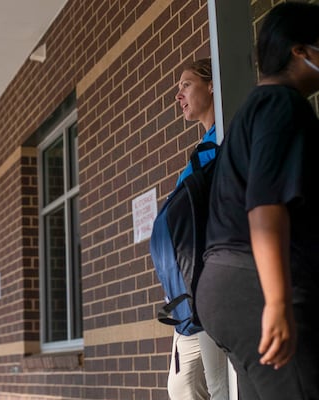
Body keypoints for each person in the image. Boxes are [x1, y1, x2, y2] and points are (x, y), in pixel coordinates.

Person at [196, 3, 319, 400]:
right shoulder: (281, 106)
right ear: (300, 51)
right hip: (254, 287)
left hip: (227, 288)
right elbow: (265, 205)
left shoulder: (252, 110)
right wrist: (277, 302)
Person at [164, 58, 229, 400]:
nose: (179, 95)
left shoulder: (225, 140)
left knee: (220, 384)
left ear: (213, 85)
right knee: (182, 386)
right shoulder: (204, 147)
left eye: (186, 84)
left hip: (211, 281)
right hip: (188, 293)